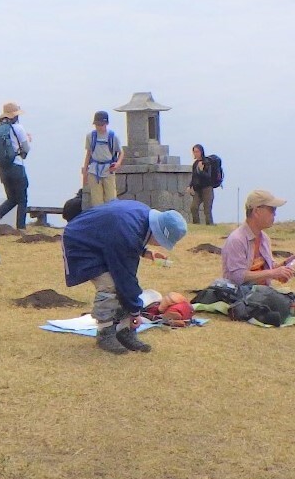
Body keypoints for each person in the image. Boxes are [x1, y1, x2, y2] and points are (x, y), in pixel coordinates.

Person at [62, 198, 187, 354]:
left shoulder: (141, 216)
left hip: (99, 239)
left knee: (124, 288)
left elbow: (119, 236)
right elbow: (125, 276)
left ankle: (124, 331)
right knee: (111, 285)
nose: (160, 245)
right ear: (157, 233)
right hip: (81, 242)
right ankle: (105, 332)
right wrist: (135, 312)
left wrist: (144, 252)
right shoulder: (127, 231)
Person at [218, 189, 295, 323]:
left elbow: (269, 269)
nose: (275, 214)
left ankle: (290, 305)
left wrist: (285, 265)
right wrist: (273, 273)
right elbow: (238, 276)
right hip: (244, 295)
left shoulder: (264, 239)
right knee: (282, 298)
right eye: (272, 210)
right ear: (257, 211)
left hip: (266, 293)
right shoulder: (237, 239)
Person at [0, 102, 30, 229]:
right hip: (16, 166)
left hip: (3, 168)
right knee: (22, 199)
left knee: (12, 198)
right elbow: (26, 148)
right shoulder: (18, 128)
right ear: (14, 116)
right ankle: (21, 228)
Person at [80, 111, 122, 210]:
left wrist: (118, 164)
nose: (99, 127)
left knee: (111, 199)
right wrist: (85, 171)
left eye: (101, 124)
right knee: (96, 201)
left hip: (108, 169)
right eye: (97, 124)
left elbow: (121, 152)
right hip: (94, 170)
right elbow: (88, 153)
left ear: (106, 124)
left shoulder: (113, 136)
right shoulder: (90, 136)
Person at [186, 144, 219, 224]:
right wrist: (190, 186)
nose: (195, 154)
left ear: (201, 152)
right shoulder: (195, 164)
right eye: (194, 152)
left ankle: (210, 226)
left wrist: (201, 170)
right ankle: (196, 224)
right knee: (193, 207)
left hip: (207, 188)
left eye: (197, 152)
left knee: (207, 209)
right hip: (198, 189)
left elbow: (208, 177)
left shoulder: (206, 162)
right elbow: (194, 176)